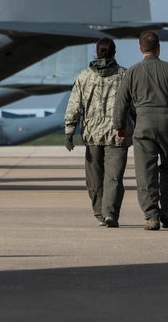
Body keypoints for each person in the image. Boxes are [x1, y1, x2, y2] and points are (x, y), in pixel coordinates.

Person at [113, 30, 168, 231]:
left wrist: (120, 126)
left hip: (143, 125)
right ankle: (167, 210)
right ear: (159, 48)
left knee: (146, 171)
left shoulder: (132, 72)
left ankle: (151, 215)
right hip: (167, 124)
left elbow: (121, 101)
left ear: (140, 49)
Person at [64, 38, 130, 228]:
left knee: (94, 178)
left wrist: (69, 131)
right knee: (114, 178)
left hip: (92, 135)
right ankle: (110, 213)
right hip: (118, 134)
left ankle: (100, 212)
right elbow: (133, 104)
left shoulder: (84, 76)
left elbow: (74, 104)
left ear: (96, 52)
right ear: (114, 52)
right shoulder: (124, 75)